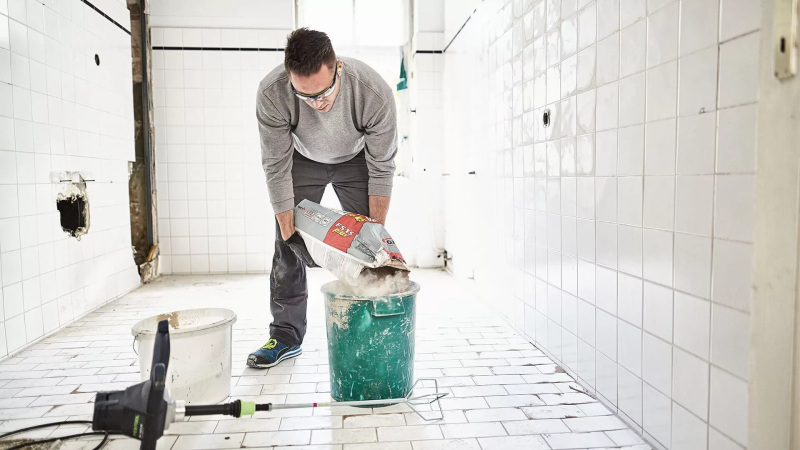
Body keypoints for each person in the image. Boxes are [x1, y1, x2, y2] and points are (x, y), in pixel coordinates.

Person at [247, 28, 398, 368]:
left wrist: (373, 234)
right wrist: (290, 234)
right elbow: (275, 166)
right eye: (305, 96)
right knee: (285, 248)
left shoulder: (374, 92)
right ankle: (285, 336)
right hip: (301, 160)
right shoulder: (272, 92)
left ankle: (370, 326)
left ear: (337, 68)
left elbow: (382, 167)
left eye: (324, 92)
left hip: (357, 160)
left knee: (368, 245)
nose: (317, 103)